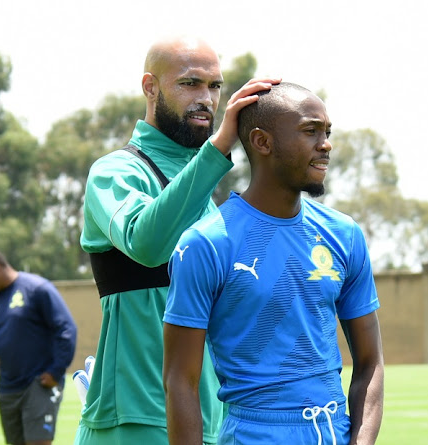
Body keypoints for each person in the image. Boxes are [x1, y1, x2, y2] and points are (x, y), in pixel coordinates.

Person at [75, 35, 278, 445]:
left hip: (213, 421)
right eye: (191, 83)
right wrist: (220, 146)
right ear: (150, 87)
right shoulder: (114, 172)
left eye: (215, 86)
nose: (207, 98)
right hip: (134, 420)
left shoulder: (205, 194)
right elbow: (147, 244)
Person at [163, 82, 385, 445]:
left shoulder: (343, 234)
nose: (325, 144)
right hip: (252, 434)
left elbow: (370, 363)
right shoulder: (206, 243)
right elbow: (180, 382)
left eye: (327, 133)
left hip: (334, 433)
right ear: (263, 142)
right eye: (310, 131)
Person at [0, 247, 77, 445]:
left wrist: (56, 371)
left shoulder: (37, 289)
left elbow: (66, 329)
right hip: (8, 391)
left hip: (38, 385)